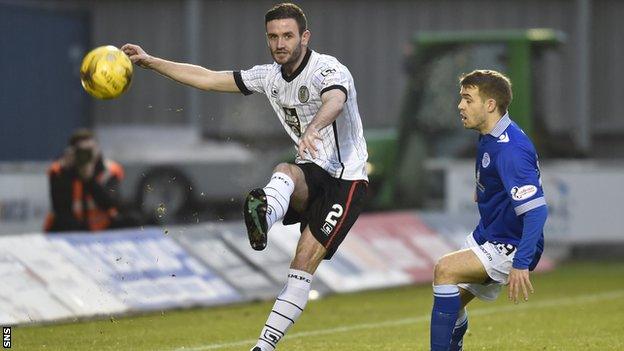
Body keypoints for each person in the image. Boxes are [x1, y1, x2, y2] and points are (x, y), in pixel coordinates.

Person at [122, 3, 368, 350]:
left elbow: (335, 101)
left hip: (346, 181)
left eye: (287, 35)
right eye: (273, 37)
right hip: (311, 170)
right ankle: (263, 218)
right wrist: (151, 61)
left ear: (304, 37)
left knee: (301, 265)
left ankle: (263, 345)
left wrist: (314, 127)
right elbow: (208, 78)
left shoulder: (327, 69)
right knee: (284, 170)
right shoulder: (268, 76)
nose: (280, 43)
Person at [429, 70, 548, 350]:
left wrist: (521, 263)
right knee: (450, 302)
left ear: (490, 105)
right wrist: (485, 189)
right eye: (461, 98)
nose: (460, 106)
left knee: (444, 270)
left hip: (511, 244)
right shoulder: (490, 135)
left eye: (468, 99)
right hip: (490, 233)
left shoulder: (511, 150)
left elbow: (537, 212)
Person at [45, 129, 129, 232]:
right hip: (71, 230)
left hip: (103, 228)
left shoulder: (110, 170)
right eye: (82, 152)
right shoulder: (59, 171)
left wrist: (90, 179)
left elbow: (110, 203)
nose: (87, 156)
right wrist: (66, 173)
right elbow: (61, 208)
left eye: (91, 150)